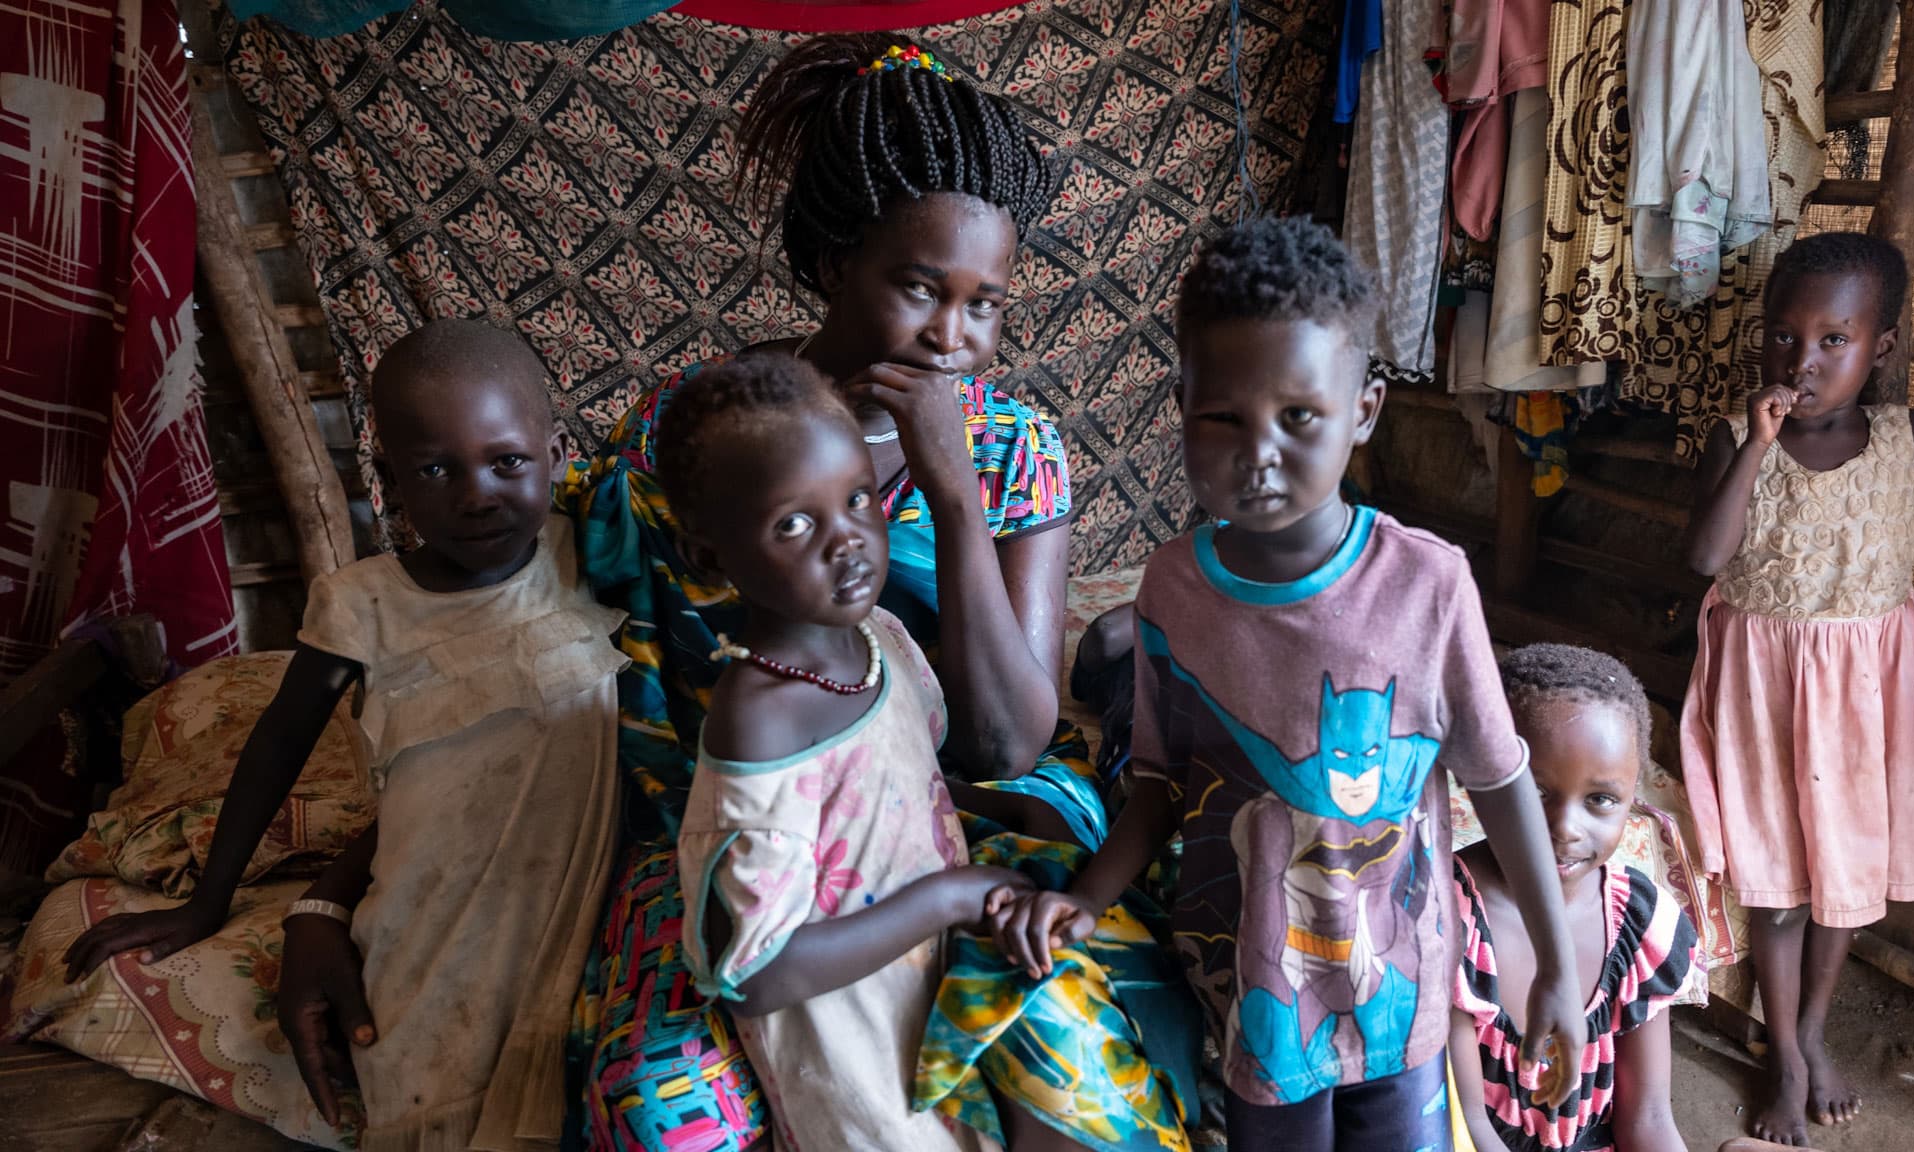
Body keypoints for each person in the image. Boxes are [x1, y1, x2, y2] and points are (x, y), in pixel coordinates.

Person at [552, 36, 1193, 1152]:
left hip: (963, 822)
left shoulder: (1005, 451)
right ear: (834, 259)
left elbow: (1005, 743)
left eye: (984, 303)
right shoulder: (695, 435)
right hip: (751, 835)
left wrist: (951, 492)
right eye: (917, 288)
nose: (954, 336)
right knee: (664, 1106)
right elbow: (630, 693)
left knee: (1075, 1066)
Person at [991, 216, 1587, 1152]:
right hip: (1254, 995)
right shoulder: (1172, 589)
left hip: (1399, 998)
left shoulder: (1428, 585)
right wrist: (1086, 897)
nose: (1257, 450)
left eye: (1298, 416)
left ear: (1364, 409)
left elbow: (1499, 777)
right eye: (1222, 416)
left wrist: (1555, 960)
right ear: (1180, 403)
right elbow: (1155, 781)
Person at [61, 319, 629, 1151]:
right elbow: (275, 746)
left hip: (579, 903)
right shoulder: (362, 603)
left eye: (507, 461)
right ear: (392, 479)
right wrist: (207, 901)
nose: (477, 494)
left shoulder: (596, 556)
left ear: (555, 452)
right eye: (436, 469)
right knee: (432, 1101)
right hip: (427, 919)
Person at [1682, 231, 1914, 1146]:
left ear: (1880, 347)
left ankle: (1812, 1027)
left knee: (1838, 871)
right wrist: (1759, 445)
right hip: (1759, 686)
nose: (1799, 361)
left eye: (1832, 341)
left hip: (1859, 697)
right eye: (1781, 336)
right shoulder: (1734, 437)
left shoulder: (1904, 438)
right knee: (1775, 879)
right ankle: (1786, 1054)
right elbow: (1703, 557)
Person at [659, 352, 1035, 1150]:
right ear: (709, 557)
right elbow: (756, 975)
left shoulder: (877, 641)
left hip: (934, 1008)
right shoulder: (760, 723)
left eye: (858, 498)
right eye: (795, 523)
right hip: (856, 1070)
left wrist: (1005, 820)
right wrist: (952, 896)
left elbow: (890, 790)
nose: (849, 541)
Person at [1448, 644, 1701, 1152]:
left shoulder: (1638, 924)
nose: (1564, 828)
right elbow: (1468, 1127)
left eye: (1601, 800)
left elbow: (1647, 1117)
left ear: (1634, 798)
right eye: (1536, 792)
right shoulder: (1449, 923)